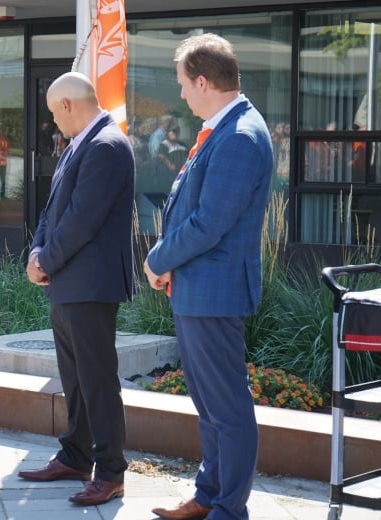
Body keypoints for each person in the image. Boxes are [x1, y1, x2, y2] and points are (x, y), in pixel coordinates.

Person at [144, 34, 273, 520]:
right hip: (200, 290)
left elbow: (210, 222)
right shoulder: (226, 128)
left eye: (182, 85)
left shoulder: (239, 136)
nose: (180, 95)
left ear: (203, 81)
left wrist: (158, 259)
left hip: (215, 292)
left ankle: (227, 508)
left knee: (227, 407)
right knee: (210, 404)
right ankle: (209, 495)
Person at [18, 71, 135, 507]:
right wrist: (37, 252)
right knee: (75, 379)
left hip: (90, 283)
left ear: (68, 105)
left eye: (53, 112)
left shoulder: (106, 145)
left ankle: (110, 472)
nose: (53, 123)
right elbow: (53, 211)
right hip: (67, 281)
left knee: (98, 380)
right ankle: (75, 455)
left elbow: (82, 219)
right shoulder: (81, 143)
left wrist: (45, 260)